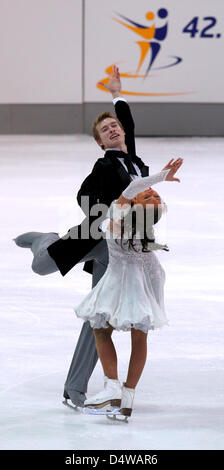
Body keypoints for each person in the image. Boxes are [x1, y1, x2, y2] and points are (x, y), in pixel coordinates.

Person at [13, 66, 170, 408]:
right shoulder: (105, 167)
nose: (113, 129)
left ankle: (75, 389)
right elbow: (87, 200)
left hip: (120, 250)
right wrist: (119, 209)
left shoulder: (136, 162)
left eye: (114, 125)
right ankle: (45, 239)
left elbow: (127, 119)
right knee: (42, 265)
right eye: (105, 129)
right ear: (100, 142)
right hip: (93, 237)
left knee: (100, 317)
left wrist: (116, 92)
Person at [75, 157, 183, 418]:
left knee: (101, 329)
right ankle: (126, 399)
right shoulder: (140, 222)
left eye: (150, 196)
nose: (149, 191)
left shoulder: (121, 208)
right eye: (152, 193)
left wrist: (160, 177)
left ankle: (114, 388)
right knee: (133, 335)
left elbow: (132, 189)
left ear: (138, 204)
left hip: (127, 277)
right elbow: (148, 255)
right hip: (142, 276)